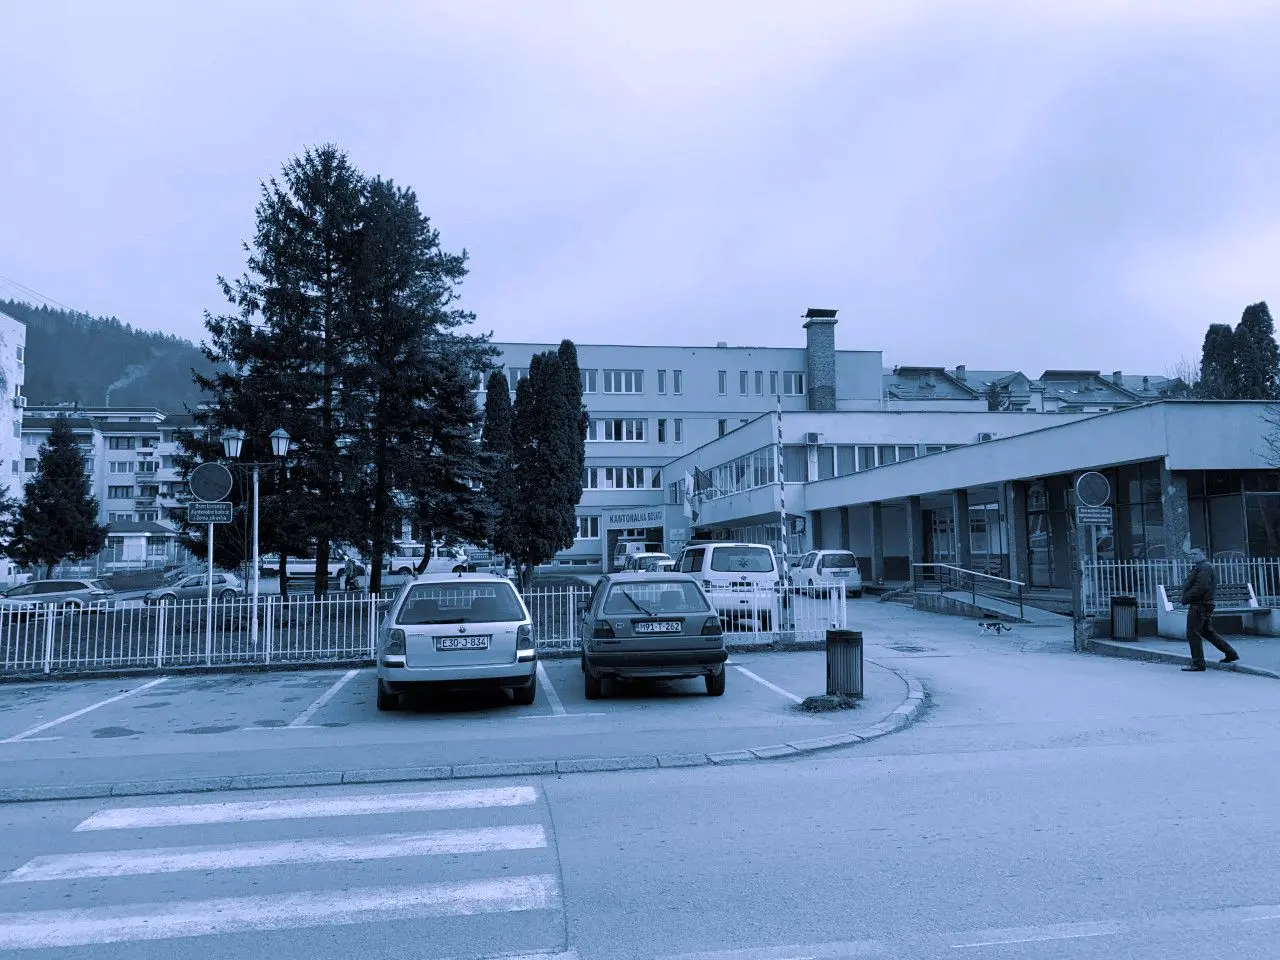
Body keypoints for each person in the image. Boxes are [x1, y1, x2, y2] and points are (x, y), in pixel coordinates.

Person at [1179, 548, 1239, 671]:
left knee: (1193, 633)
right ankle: (1231, 653)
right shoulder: (1202, 566)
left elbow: (1201, 586)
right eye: (1190, 554)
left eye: (1195, 554)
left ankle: (1198, 663)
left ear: (1203, 554)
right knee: (1207, 631)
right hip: (1204, 603)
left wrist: (1187, 598)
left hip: (1199, 604)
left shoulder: (1204, 567)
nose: (1192, 556)